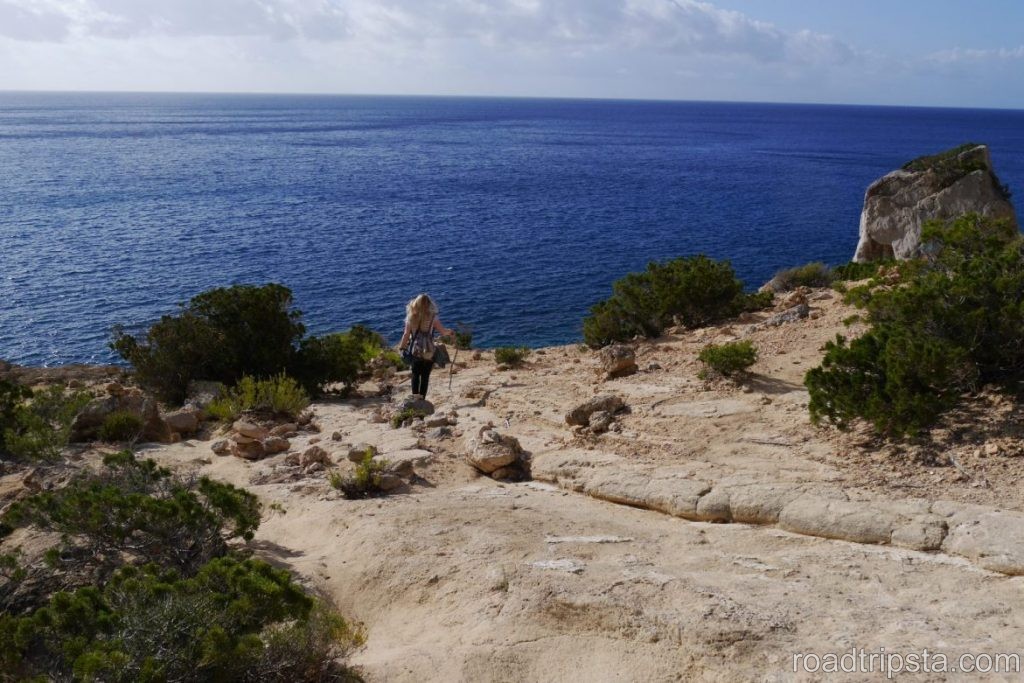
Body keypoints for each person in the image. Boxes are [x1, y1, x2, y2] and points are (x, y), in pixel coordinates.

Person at [398, 294, 453, 398]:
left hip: (415, 350)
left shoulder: (410, 317)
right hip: (429, 350)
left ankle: (415, 400)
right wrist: (450, 332)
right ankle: (422, 400)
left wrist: (402, 348)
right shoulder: (433, 317)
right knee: (425, 376)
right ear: (429, 304)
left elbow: (406, 334)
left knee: (415, 375)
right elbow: (443, 332)